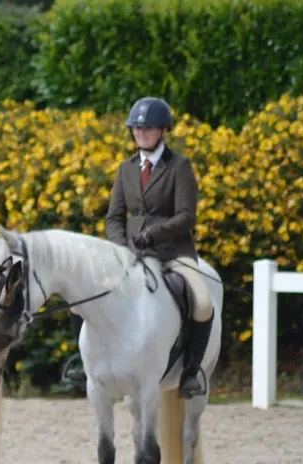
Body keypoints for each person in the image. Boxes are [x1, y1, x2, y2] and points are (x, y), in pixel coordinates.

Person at [65, 96, 212, 398]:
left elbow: (186, 217)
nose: (141, 133)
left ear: (162, 130)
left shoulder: (179, 166)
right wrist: (120, 249)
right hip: (130, 254)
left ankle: (191, 371)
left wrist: (153, 236)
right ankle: (83, 363)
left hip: (173, 253)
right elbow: (114, 216)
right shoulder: (126, 168)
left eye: (148, 129)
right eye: (136, 129)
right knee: (80, 296)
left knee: (202, 302)